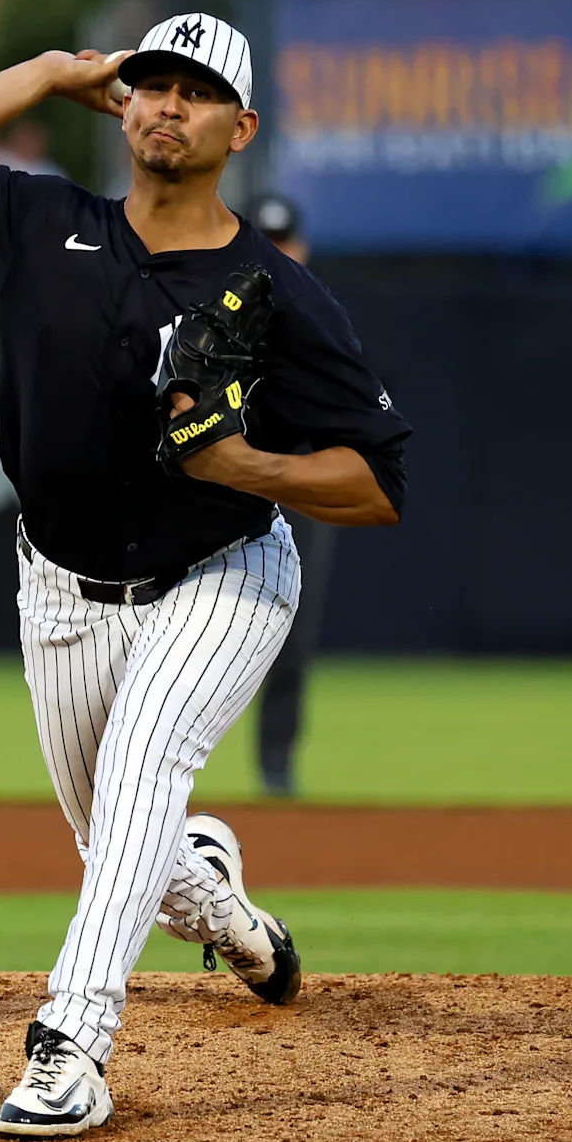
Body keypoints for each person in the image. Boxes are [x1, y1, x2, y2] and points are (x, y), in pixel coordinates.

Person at [0, 13, 410, 1139]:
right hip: (60, 588)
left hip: (221, 574)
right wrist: (50, 74)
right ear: (124, 104)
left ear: (241, 128)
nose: (167, 103)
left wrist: (245, 462)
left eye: (197, 91)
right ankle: (225, 908)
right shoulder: (37, 219)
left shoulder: (276, 291)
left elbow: (376, 482)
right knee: (129, 846)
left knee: (143, 768)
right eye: (151, 83)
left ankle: (70, 1049)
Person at [247, 194, 334, 798]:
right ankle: (143, 771)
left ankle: (276, 768)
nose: (279, 254)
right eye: (266, 241)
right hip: (211, 484)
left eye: (286, 242)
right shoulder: (203, 309)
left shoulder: (325, 317)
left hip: (298, 485)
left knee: (291, 636)